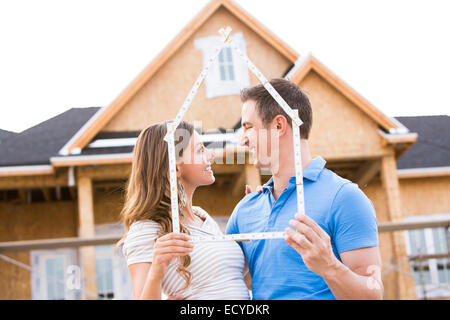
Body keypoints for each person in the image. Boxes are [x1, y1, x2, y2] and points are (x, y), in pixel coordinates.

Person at [226, 78, 384, 300]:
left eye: (248, 127)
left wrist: (330, 267)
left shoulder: (345, 198)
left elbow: (373, 294)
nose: (242, 140)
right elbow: (229, 282)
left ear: (279, 126)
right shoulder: (245, 210)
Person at [119, 121, 250, 300]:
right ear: (176, 166)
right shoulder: (145, 230)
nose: (211, 155)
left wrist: (256, 212)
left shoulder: (202, 216)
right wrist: (156, 271)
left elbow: (233, 280)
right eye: (199, 150)